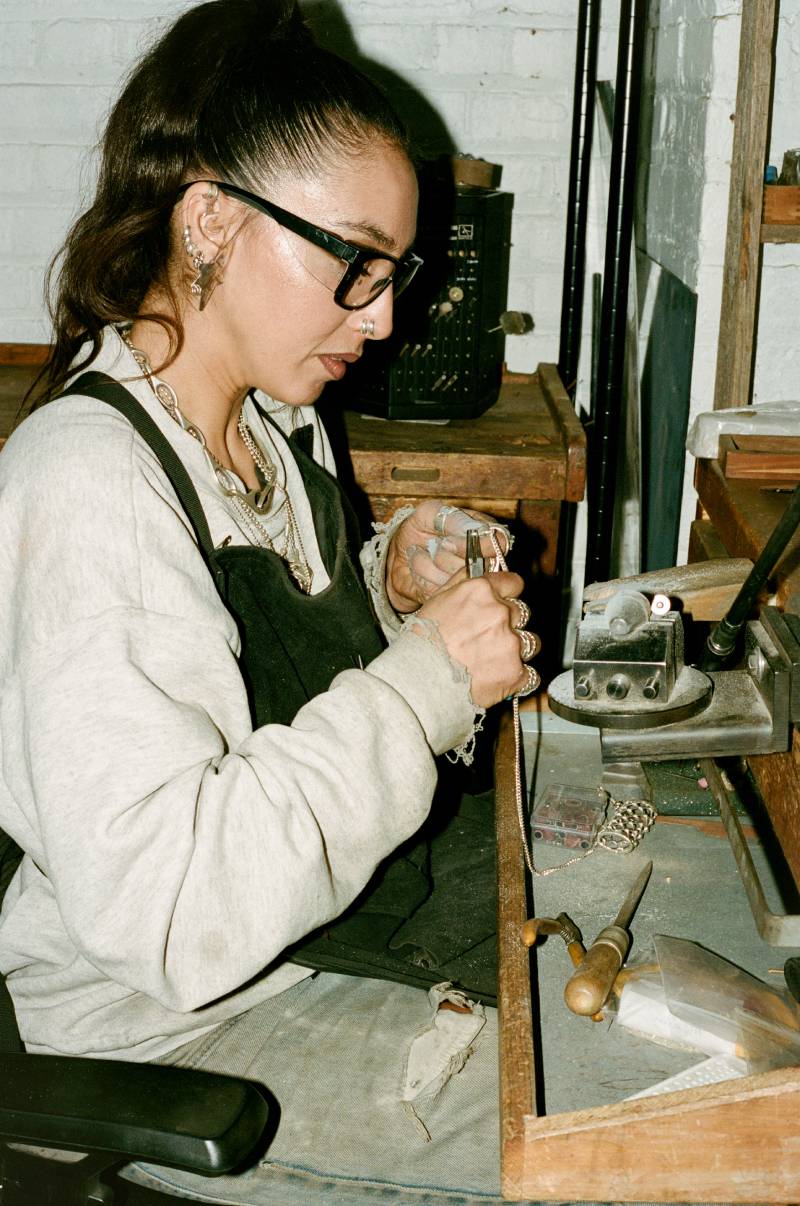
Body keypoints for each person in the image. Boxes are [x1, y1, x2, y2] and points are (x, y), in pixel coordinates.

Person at [0, 2, 540, 1202]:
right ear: (209, 220)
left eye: (393, 274)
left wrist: (389, 586)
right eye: (354, 263)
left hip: (320, 936)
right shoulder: (90, 485)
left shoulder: (271, 422)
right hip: (167, 1034)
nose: (384, 315)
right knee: (619, 1124)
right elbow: (175, 914)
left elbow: (256, 676)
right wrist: (427, 680)